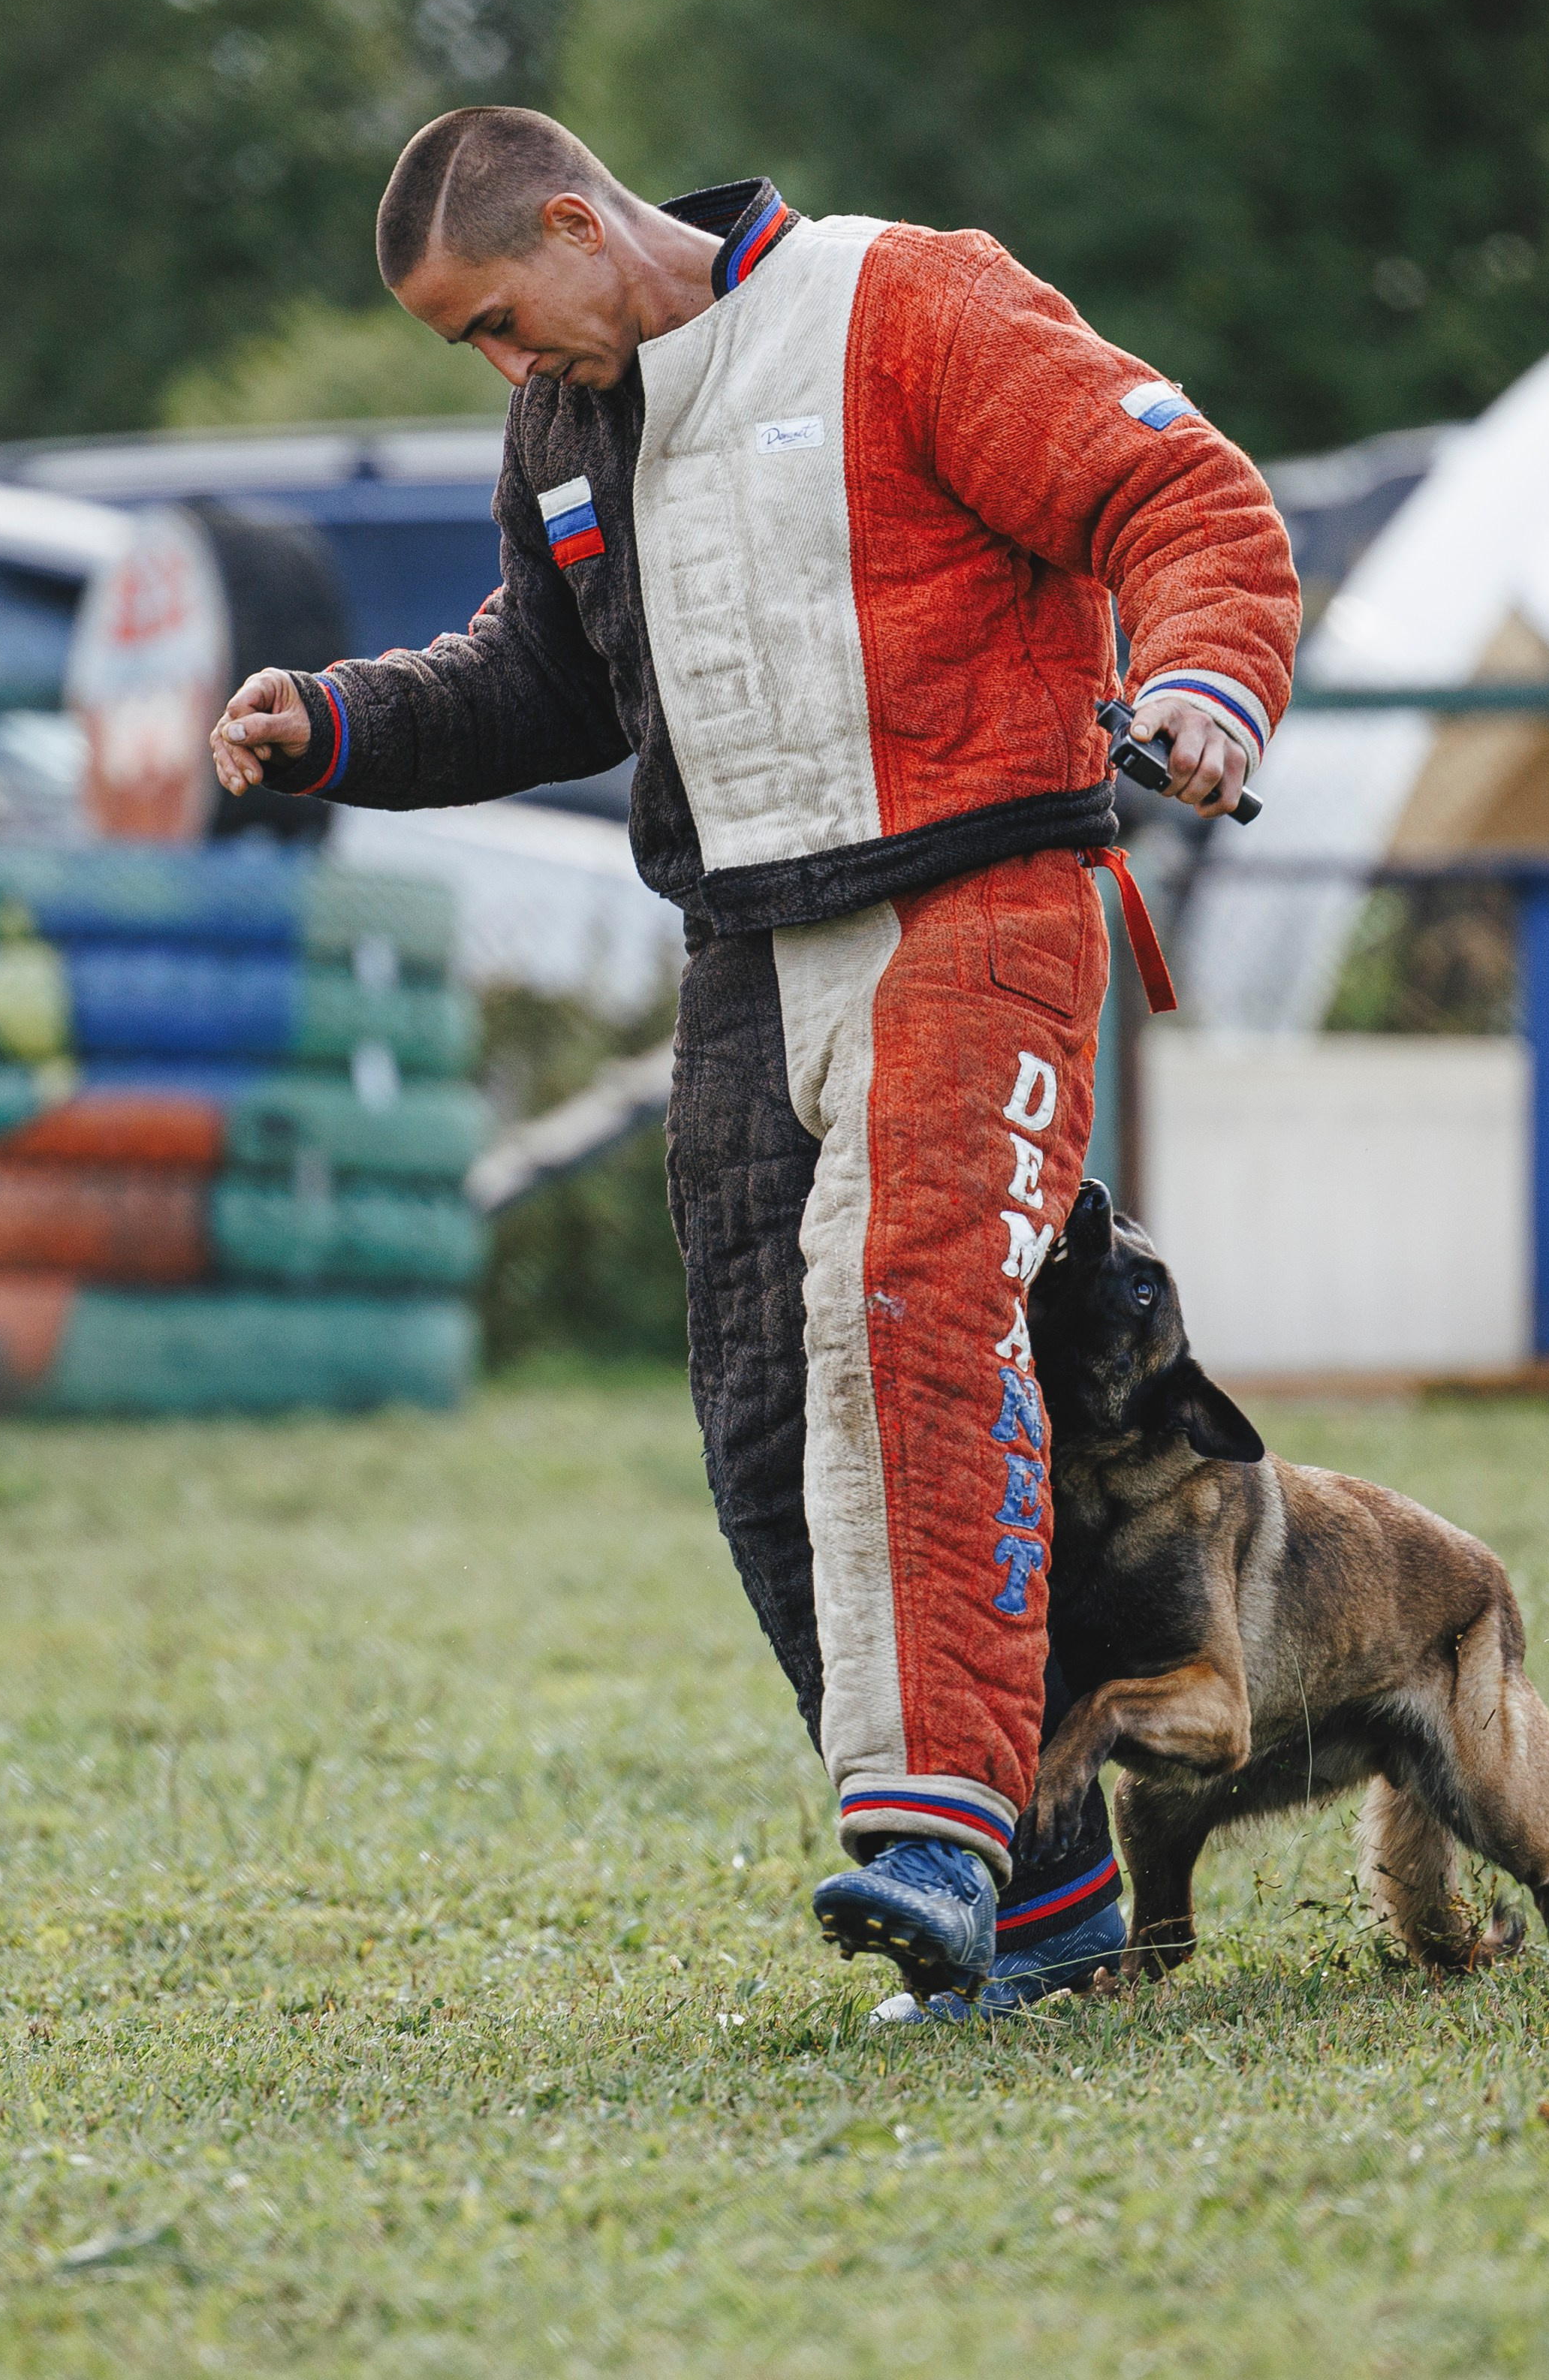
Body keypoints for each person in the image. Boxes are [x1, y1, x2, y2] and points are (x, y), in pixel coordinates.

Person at [209, 110, 1298, 2014]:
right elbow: (544, 682)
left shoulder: (908, 304)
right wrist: (338, 723)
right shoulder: (567, 424)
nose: (498, 365)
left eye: (492, 320)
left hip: (980, 900)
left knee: (909, 1315)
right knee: (759, 1417)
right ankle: (1032, 1911)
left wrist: (1205, 674)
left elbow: (1186, 502)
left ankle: (937, 1840)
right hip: (742, 953)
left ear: (571, 218)